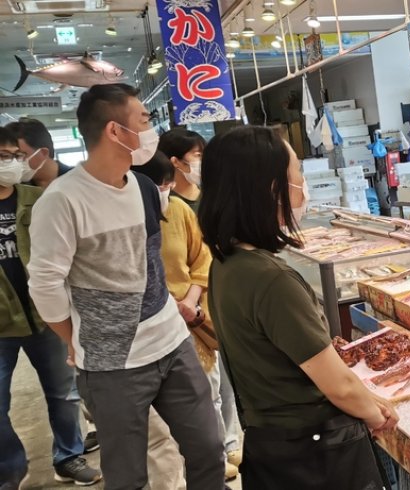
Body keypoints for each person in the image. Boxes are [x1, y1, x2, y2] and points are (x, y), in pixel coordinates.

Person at [27, 83, 225, 490]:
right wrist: (74, 339)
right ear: (116, 131)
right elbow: (45, 286)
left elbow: (150, 265)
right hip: (112, 364)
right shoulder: (62, 201)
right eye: (144, 120)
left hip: (172, 343)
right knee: (127, 472)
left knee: (207, 446)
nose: (151, 129)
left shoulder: (144, 189)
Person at [198, 126, 397, 489]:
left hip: (272, 445)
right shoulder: (270, 279)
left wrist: (367, 396)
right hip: (315, 455)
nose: (302, 184)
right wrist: (375, 414)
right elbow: (336, 384)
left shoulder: (226, 262)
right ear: (273, 189)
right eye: (297, 174)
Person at [0, 127, 101, 488]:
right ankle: (9, 469)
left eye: (13, 155)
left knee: (63, 393)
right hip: (1, 325)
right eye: (1, 156)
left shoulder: (39, 197)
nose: (9, 163)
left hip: (47, 316)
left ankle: (68, 456)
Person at [158, 128, 243, 468]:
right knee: (199, 385)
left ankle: (231, 441)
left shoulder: (212, 196)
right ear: (175, 163)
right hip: (178, 310)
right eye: (196, 156)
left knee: (224, 376)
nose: (201, 163)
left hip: (216, 295)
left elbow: (206, 256)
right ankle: (213, 451)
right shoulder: (166, 208)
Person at [5, 118, 73, 189]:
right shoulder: (14, 189)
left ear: (43, 153)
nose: (12, 163)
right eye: (7, 156)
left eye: (18, 155)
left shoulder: (79, 180)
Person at [158, 128, 205, 212]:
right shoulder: (164, 204)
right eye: (198, 155)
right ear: (175, 161)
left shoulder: (211, 193)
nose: (204, 160)